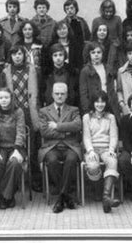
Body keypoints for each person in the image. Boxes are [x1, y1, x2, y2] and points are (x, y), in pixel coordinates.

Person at [0, 45, 41, 192]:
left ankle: (34, 180)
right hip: (13, 112)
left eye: (20, 54)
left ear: (24, 55)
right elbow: (2, 92)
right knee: (14, 144)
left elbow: (38, 92)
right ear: (10, 57)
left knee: (32, 147)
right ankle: (15, 180)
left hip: (29, 111)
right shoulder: (5, 72)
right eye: (14, 54)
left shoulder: (31, 70)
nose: (17, 56)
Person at [38, 82, 82, 213]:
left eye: (62, 94)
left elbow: (77, 126)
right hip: (51, 146)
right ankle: (67, 197)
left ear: (67, 95)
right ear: (52, 94)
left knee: (71, 160)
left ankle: (60, 198)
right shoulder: (44, 111)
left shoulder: (74, 110)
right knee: (51, 161)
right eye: (57, 93)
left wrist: (57, 126)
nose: (59, 96)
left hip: (70, 146)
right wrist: (67, 131)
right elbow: (44, 132)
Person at [82, 90, 121, 213]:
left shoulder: (111, 117)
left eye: (102, 101)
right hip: (92, 149)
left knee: (112, 162)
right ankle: (98, 190)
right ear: (93, 103)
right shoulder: (86, 117)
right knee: (93, 166)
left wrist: (111, 149)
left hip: (106, 149)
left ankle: (106, 197)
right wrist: (90, 151)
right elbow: (86, 137)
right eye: (97, 102)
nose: (100, 104)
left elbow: (114, 136)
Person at [0, 88, 26, 209]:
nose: (3, 100)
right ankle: (7, 196)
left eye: (6, 97)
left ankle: (5, 197)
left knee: (15, 163)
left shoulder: (18, 112)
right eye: (1, 98)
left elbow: (21, 131)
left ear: (11, 98)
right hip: (0, 148)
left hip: (16, 147)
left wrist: (17, 150)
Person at [79, 41, 119, 117]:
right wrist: (87, 110)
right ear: (89, 54)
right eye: (93, 53)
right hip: (94, 106)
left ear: (102, 54)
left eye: (98, 52)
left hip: (109, 104)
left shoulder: (108, 68)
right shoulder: (85, 71)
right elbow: (83, 93)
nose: (96, 55)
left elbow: (112, 88)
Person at [41, 43, 79, 107]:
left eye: (60, 55)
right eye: (55, 55)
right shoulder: (46, 73)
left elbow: (76, 92)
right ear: (51, 57)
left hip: (69, 107)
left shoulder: (73, 72)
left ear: (65, 56)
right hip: (51, 108)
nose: (58, 58)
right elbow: (42, 92)